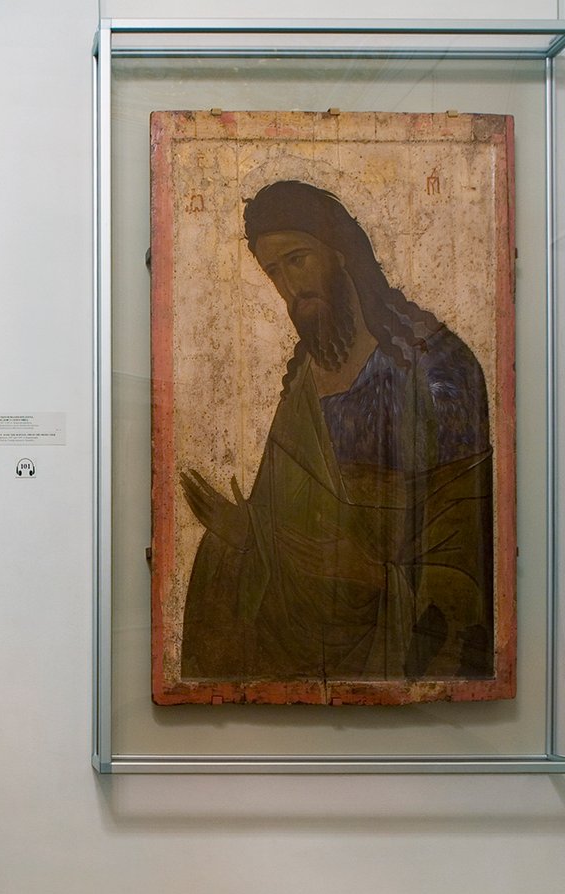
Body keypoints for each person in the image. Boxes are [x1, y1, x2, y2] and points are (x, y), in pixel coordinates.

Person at [179, 180, 496, 686]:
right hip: (301, 634)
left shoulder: (437, 368)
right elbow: (283, 525)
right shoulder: (307, 375)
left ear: (343, 254)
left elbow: (462, 564)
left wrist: (369, 572)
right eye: (274, 272)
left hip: (398, 639)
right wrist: (247, 537)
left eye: (298, 260)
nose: (289, 287)